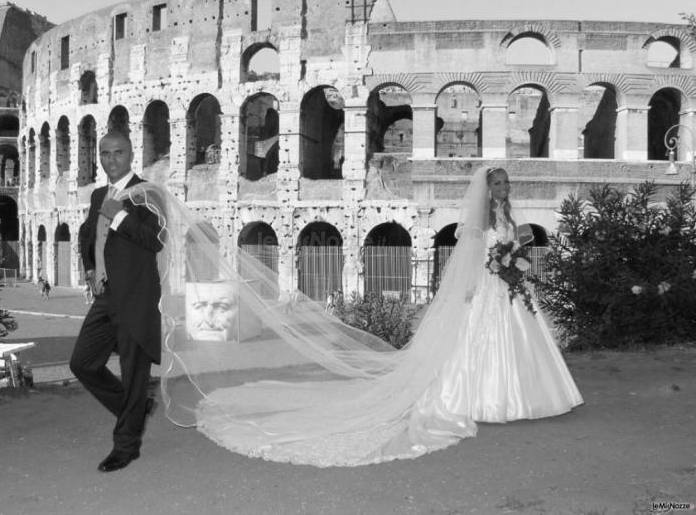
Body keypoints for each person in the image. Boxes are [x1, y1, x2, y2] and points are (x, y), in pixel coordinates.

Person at [153, 166, 583, 467]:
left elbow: (522, 245)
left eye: (507, 182)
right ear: (487, 190)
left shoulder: (511, 214)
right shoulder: (480, 217)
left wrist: (517, 262)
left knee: (521, 339)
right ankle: (477, 397)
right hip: (487, 287)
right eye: (499, 183)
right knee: (478, 342)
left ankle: (525, 395)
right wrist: (489, 272)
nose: (505, 188)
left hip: (510, 285)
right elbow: (471, 255)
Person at [69, 131, 164, 472]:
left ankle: (126, 446)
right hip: (106, 297)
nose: (111, 160)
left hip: (136, 298)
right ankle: (136, 409)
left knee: (133, 373)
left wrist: (120, 216)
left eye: (118, 153)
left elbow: (156, 239)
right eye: (105, 154)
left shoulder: (147, 193)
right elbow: (87, 236)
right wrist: (91, 269)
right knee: (82, 363)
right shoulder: (98, 195)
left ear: (131, 154)